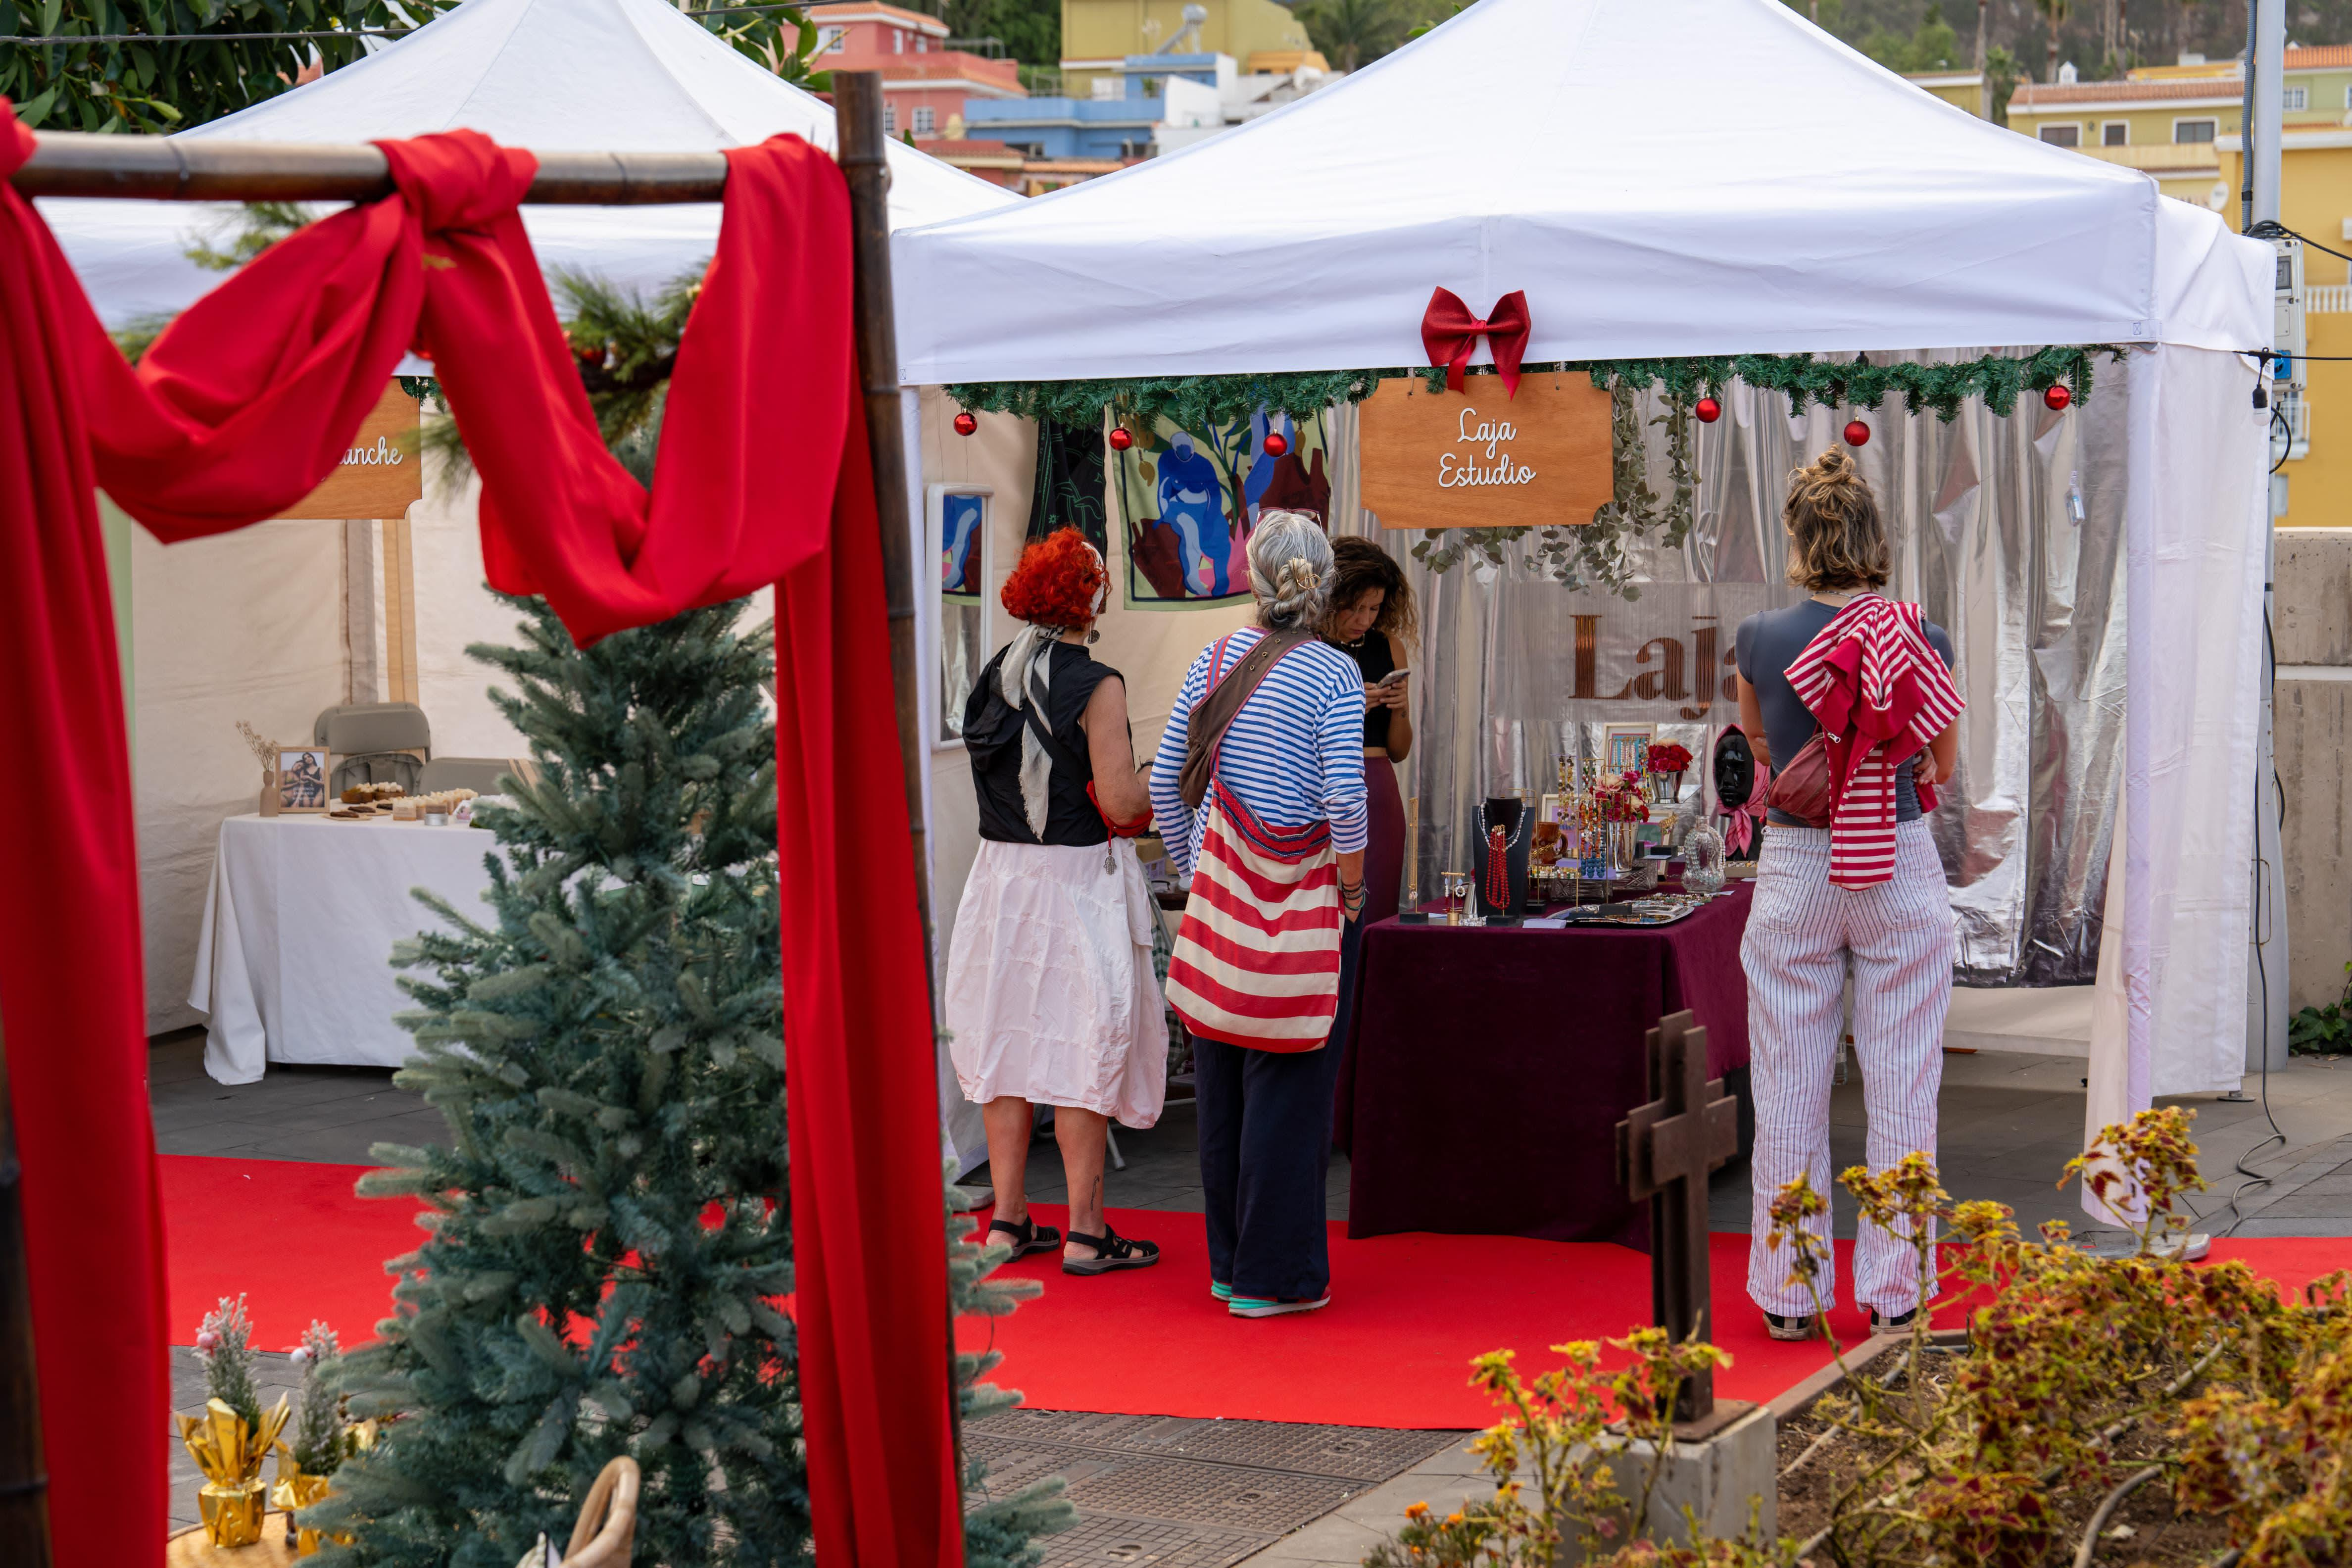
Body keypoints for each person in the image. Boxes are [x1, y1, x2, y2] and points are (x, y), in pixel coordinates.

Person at [1734, 447, 1963, 1340]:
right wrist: (1875, 763)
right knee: (1904, 1080)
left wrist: (1819, 765)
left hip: (1796, 863)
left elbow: (1754, 748)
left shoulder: (1757, 637)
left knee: (1788, 1085)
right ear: (1874, 538)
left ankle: (1790, 1294)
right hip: (1896, 858)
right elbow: (1940, 763)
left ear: (1796, 537)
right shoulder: (1922, 636)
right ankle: (1893, 1290)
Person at [1150, 511, 1368, 1319]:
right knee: (1289, 1085)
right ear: (1323, 585)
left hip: (1219, 910)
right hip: (1301, 908)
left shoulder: (1212, 660)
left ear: (1253, 578)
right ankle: (1274, 1278)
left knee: (1224, 1090)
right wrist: (1350, 888)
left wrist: (1196, 859)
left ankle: (1228, 1263)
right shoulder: (1335, 675)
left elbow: (1170, 777)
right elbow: (1345, 797)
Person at [945, 528, 1165, 1275]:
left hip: (1000, 879)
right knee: (1080, 1046)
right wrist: (1172, 774)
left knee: (1004, 1044)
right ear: (1089, 599)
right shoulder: (1097, 683)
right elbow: (1124, 803)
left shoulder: (990, 677)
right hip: (1075, 883)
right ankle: (1085, 1232)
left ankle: (1008, 1223)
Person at [1320, 537, 1418, 925]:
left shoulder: (1388, 646)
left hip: (1378, 786)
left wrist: (1399, 710)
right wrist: (1348, 706)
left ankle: (1369, 985)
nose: (1364, 619)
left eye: (1374, 608)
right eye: (1355, 608)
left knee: (1377, 909)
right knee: (1330, 911)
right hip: (1325, 787)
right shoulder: (1310, 647)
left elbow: (1400, 751)